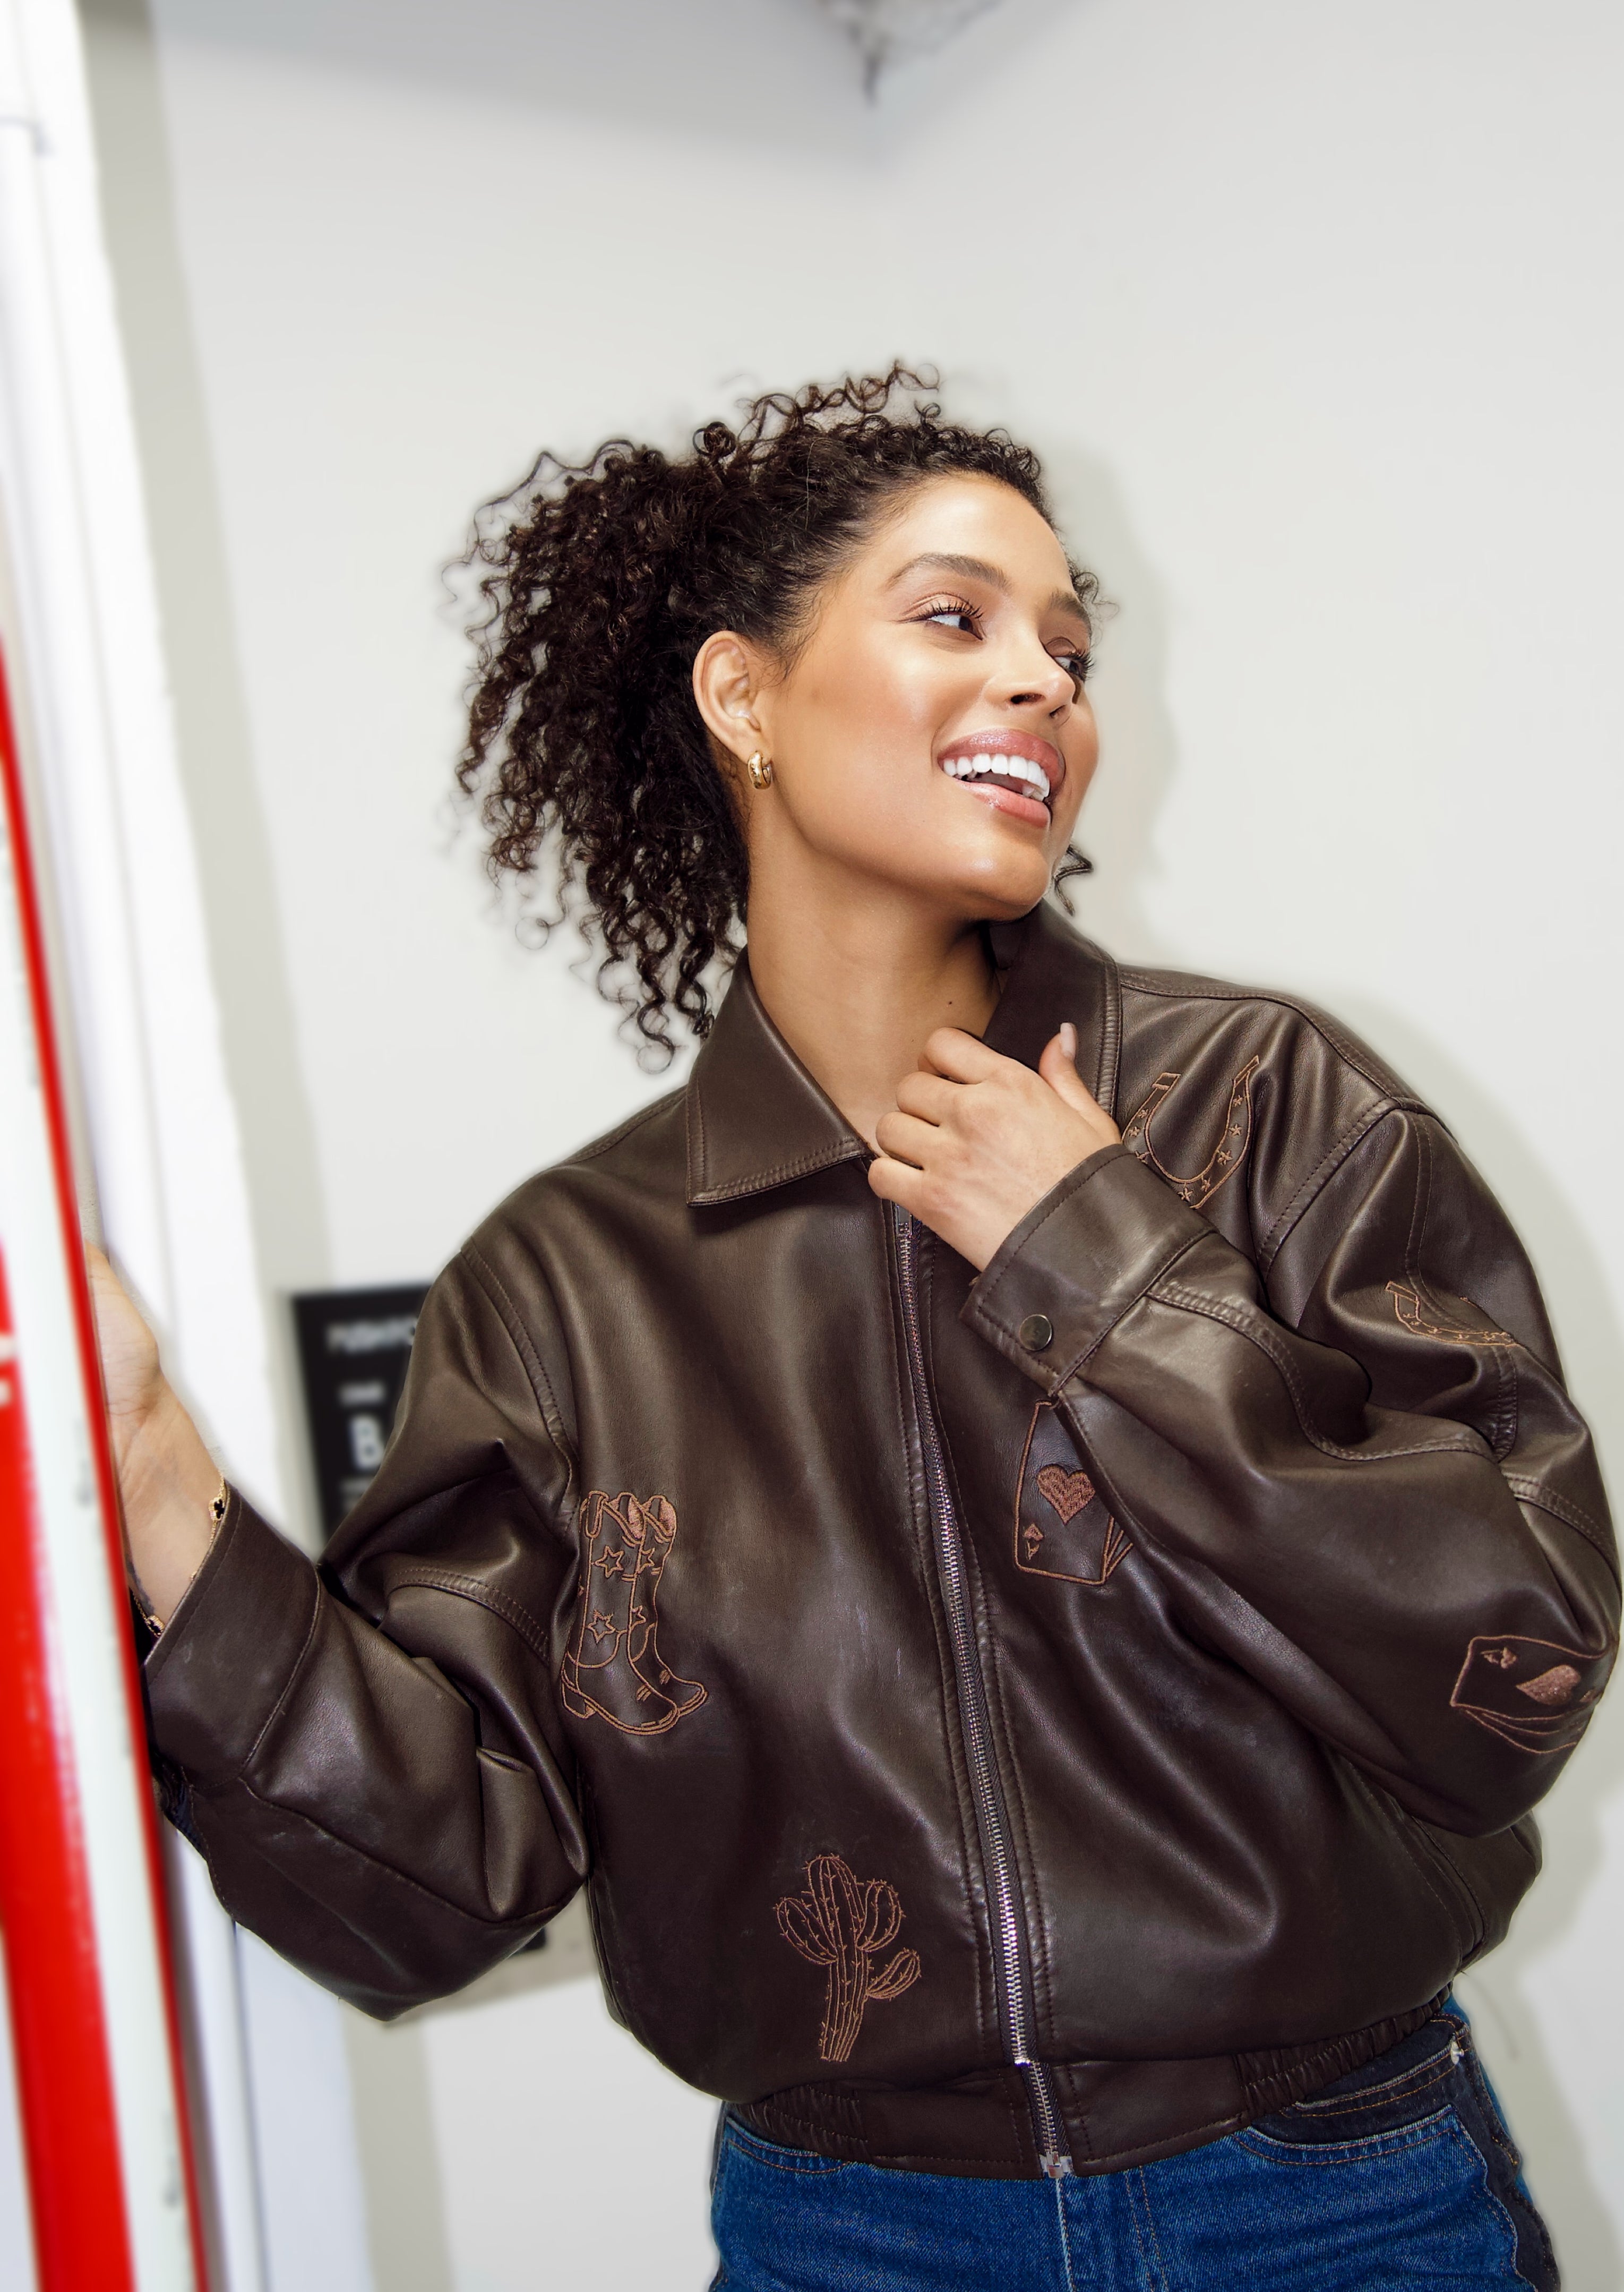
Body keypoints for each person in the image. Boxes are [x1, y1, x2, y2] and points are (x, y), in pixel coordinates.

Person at [94, 369, 1616, 2290]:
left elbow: (1508, 1668)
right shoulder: (567, 1285)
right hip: (855, 2236)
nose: (1044, 682)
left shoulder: (1266, 1107)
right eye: (955, 616)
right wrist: (150, 1466)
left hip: (1328, 2194)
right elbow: (438, 1882)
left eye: (1068, 649)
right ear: (744, 699)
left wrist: (1103, 1265)